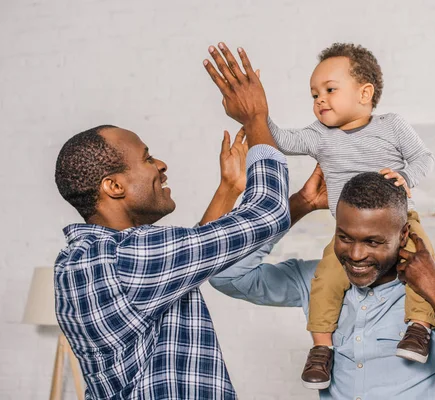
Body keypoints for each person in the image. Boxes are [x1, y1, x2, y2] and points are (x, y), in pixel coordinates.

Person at [52, 43, 289, 399]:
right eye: (147, 159)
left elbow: (184, 264)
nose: (160, 164)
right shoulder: (130, 257)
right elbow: (268, 212)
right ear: (113, 186)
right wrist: (256, 119)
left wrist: (228, 189)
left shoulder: (76, 262)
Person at [209, 166, 435, 399]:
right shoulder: (316, 279)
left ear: (403, 235)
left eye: (372, 241)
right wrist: (300, 204)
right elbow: (224, 276)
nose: (355, 254)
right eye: (345, 237)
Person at [266, 42, 435, 388]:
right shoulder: (319, 136)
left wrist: (406, 177)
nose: (319, 100)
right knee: (326, 277)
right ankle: (321, 350)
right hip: (348, 232)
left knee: (423, 263)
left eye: (330, 90)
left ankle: (418, 328)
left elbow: (424, 158)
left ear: (365, 93)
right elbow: (282, 139)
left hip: (401, 224)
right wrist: (257, 115)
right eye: (314, 94)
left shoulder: (392, 126)